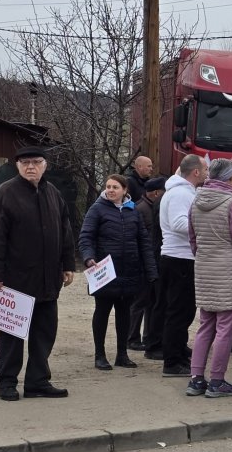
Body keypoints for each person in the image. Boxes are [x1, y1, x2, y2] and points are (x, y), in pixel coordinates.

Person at [0, 146, 75, 401]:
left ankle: (37, 382)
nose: (31, 167)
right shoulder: (6, 193)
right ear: (17, 166)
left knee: (44, 332)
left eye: (36, 162)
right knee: (12, 333)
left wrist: (68, 264)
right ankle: (7, 382)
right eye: (25, 163)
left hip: (48, 279)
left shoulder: (52, 193)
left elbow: (65, 230)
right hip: (16, 279)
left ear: (45, 165)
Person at [185, 158, 232, 398]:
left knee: (205, 324)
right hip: (229, 270)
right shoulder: (231, 203)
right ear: (227, 178)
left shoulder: (196, 201)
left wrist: (204, 256)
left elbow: (192, 238)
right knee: (226, 327)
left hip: (205, 267)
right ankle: (217, 380)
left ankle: (196, 379)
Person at [78, 174, 157, 371]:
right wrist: (88, 257)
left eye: (115, 187)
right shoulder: (97, 209)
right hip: (104, 271)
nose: (111, 190)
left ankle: (122, 355)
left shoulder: (133, 211)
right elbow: (86, 237)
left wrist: (151, 271)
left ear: (125, 190)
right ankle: (100, 355)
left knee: (124, 314)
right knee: (102, 312)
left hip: (129, 271)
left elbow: (144, 243)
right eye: (108, 187)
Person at [157, 154, 207, 377]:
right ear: (196, 172)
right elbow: (178, 224)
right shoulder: (180, 193)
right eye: (205, 170)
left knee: (184, 311)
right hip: (179, 259)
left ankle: (178, 350)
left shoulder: (185, 191)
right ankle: (172, 362)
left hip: (181, 258)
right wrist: (204, 227)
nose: (207, 174)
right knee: (178, 312)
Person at [128, 176, 165, 351]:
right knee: (140, 302)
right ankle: (132, 338)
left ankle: (148, 335)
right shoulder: (140, 209)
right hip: (142, 263)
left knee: (152, 301)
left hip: (152, 262)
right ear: (156, 193)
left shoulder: (151, 207)